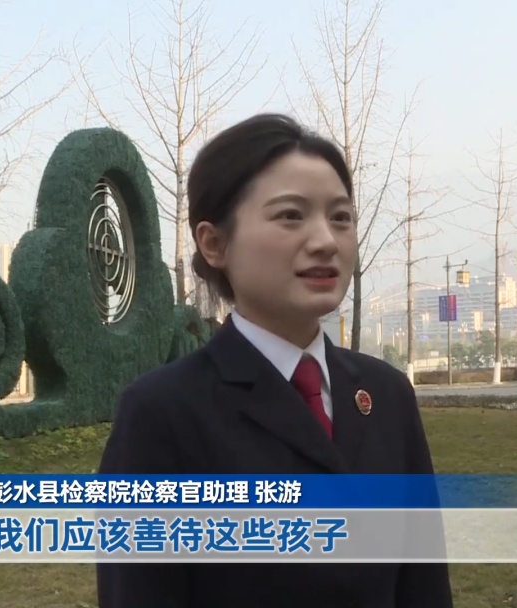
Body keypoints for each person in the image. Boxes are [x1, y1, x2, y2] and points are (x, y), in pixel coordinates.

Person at [96, 114, 453, 607]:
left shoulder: (386, 395)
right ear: (214, 243)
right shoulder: (162, 415)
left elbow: (423, 587)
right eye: (290, 216)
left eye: (340, 217)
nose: (325, 240)